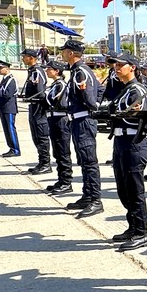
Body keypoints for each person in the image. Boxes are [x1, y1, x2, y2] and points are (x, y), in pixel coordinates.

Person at [106, 53, 147, 252]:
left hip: (134, 142)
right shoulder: (125, 89)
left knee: (134, 190)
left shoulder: (138, 90)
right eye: (114, 65)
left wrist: (113, 115)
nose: (116, 68)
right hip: (121, 141)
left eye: (120, 65)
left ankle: (142, 232)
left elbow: (134, 117)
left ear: (132, 67)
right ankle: (133, 226)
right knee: (123, 188)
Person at [61, 40, 103, 219]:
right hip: (78, 121)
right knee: (83, 161)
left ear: (71, 53)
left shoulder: (81, 71)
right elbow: (101, 88)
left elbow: (91, 96)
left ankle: (95, 199)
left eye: (64, 51)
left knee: (89, 161)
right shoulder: (78, 71)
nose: (62, 53)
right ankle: (87, 195)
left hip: (84, 121)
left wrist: (94, 108)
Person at [41, 60, 74, 196]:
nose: (47, 71)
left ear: (57, 71)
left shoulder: (61, 85)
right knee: (57, 151)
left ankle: (66, 182)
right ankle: (61, 180)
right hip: (53, 119)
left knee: (62, 151)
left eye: (49, 69)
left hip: (60, 119)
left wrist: (44, 99)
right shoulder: (55, 85)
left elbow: (56, 102)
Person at [19, 48, 51, 174]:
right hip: (33, 107)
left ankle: (45, 163)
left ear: (31, 58)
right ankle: (41, 162)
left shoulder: (37, 71)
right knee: (35, 136)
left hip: (39, 107)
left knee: (41, 136)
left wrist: (32, 98)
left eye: (24, 57)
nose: (23, 59)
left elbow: (40, 91)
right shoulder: (32, 71)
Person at [0, 60, 20, 157]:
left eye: (1, 68)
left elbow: (7, 95)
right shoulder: (4, 79)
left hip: (9, 108)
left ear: (7, 68)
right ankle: (11, 148)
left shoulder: (11, 80)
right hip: (4, 108)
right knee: (6, 129)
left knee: (10, 129)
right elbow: (0, 93)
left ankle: (15, 149)